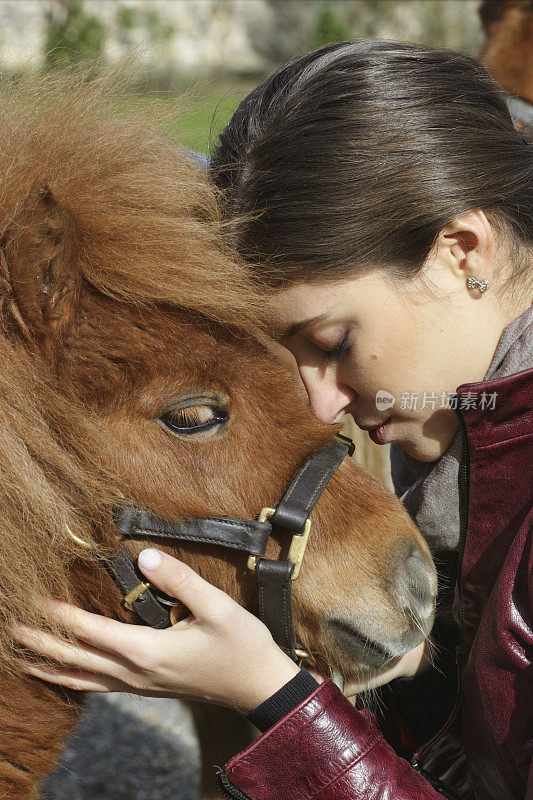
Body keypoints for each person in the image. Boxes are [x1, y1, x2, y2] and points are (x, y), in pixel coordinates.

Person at [13, 41, 532, 800]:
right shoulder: (466, 457)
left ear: (462, 252)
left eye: (333, 342)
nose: (322, 406)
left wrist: (277, 701)